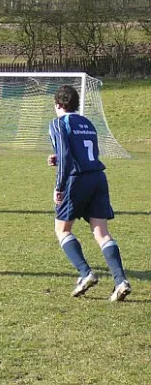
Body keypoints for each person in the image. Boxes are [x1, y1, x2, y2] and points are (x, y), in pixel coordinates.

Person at [48, 85, 131, 301]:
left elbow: (66, 157)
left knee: (62, 229)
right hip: (98, 177)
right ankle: (120, 281)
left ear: (58, 104)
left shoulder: (58, 123)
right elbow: (85, 152)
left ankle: (86, 274)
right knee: (101, 232)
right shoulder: (88, 123)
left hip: (77, 180)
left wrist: (59, 186)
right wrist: (58, 158)